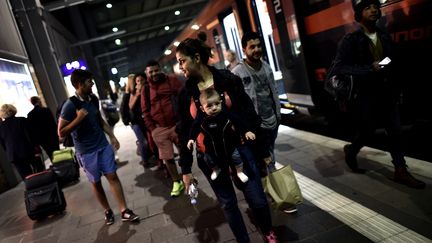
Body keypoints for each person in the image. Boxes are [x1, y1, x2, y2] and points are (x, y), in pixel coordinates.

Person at [176, 38, 278, 243]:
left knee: (257, 199)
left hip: (240, 149)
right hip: (210, 157)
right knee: (228, 204)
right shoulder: (185, 93)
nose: (180, 67)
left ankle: (268, 231)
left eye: (182, 61)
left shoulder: (227, 79)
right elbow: (184, 131)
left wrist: (263, 150)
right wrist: (185, 169)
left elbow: (248, 113)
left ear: (197, 58)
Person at [332, 0, 425, 189]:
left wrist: (383, 69)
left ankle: (400, 170)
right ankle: (351, 151)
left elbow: (390, 59)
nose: (374, 9)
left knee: (395, 131)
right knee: (367, 132)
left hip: (386, 91)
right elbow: (340, 67)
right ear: (359, 15)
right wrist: (368, 69)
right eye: (367, 7)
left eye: (375, 6)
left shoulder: (384, 36)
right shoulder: (350, 40)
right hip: (365, 95)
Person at [58, 69, 139, 225]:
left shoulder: (93, 99)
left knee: (112, 176)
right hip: (86, 152)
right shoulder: (70, 105)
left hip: (102, 145)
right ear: (80, 84)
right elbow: (60, 133)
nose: (92, 84)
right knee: (96, 182)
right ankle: (107, 210)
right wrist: (78, 119)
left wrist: (112, 136)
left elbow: (100, 121)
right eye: (90, 82)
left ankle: (124, 210)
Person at [231, 32, 281, 176]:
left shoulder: (266, 67)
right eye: (252, 47)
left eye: (259, 46)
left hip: (272, 120)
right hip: (255, 126)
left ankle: (271, 186)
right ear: (244, 50)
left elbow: (274, 92)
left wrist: (278, 115)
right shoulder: (237, 73)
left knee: (269, 153)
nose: (257, 49)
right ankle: (271, 188)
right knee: (263, 158)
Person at [187, 88, 256, 183]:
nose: (214, 108)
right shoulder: (202, 119)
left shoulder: (225, 114)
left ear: (221, 102)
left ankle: (239, 172)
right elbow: (195, 127)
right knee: (208, 158)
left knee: (236, 157)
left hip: (229, 145)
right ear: (202, 109)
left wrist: (246, 131)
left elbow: (237, 120)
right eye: (209, 106)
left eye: (217, 104)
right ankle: (216, 169)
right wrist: (191, 138)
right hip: (211, 147)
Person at [141, 60, 184, 197]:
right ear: (147, 73)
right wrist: (152, 128)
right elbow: (145, 110)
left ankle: (187, 176)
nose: (154, 73)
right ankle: (177, 182)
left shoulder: (172, 80)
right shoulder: (146, 89)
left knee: (184, 152)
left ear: (160, 69)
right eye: (151, 71)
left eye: (156, 70)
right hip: (159, 129)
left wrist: (183, 120)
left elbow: (183, 97)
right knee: (167, 158)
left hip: (176, 125)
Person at [0, 104, 45, 179]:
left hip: (14, 155)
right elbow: (30, 136)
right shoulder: (22, 120)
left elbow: (3, 144)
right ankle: (44, 186)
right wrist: (36, 147)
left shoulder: (1, 127)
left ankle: (33, 189)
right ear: (13, 110)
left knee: (26, 176)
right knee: (39, 171)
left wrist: (9, 152)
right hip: (28, 151)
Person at [120, 73, 151, 168]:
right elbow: (126, 108)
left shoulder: (142, 90)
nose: (138, 82)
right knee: (143, 142)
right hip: (134, 122)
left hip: (142, 120)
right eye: (136, 81)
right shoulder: (129, 94)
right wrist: (127, 120)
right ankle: (145, 161)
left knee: (147, 140)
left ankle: (148, 156)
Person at [27, 96, 60, 160]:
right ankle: (62, 166)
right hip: (52, 136)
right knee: (57, 152)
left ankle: (56, 167)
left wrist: (36, 142)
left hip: (42, 139)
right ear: (39, 101)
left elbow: (32, 130)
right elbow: (52, 123)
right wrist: (57, 133)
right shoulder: (46, 110)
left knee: (50, 154)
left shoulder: (30, 115)